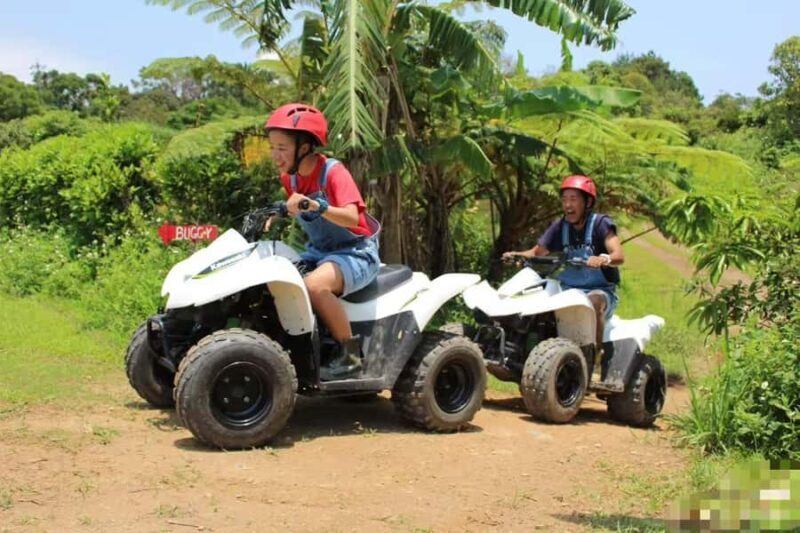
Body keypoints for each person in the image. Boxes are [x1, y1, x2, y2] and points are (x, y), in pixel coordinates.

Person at [265, 103, 380, 380]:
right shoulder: (290, 179)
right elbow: (295, 206)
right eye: (272, 147)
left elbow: (353, 218)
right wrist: (277, 212)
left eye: (282, 148)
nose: (275, 155)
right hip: (319, 253)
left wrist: (315, 205)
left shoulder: (333, 172)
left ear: (304, 147)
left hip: (356, 253)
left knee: (314, 286)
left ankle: (351, 357)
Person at [502, 175, 624, 350]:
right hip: (567, 289)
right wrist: (516, 255)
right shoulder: (559, 226)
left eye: (573, 199)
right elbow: (537, 252)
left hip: (600, 291)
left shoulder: (600, 224)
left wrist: (604, 258)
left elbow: (619, 255)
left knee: (593, 302)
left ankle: (595, 358)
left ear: (588, 202)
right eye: (564, 199)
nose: (568, 205)